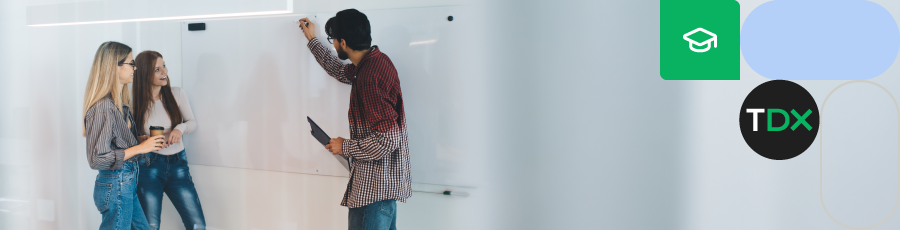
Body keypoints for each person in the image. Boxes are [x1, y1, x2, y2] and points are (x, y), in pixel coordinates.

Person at [298, 9, 411, 230]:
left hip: (372, 193)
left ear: (343, 42)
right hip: (381, 191)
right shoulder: (374, 62)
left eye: (333, 41)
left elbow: (388, 140)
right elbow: (339, 71)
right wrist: (312, 40)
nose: (334, 46)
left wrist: (345, 146)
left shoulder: (369, 77)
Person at [83, 41, 166, 230]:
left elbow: (115, 144)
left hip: (125, 183)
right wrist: (140, 148)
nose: (135, 68)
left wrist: (140, 141)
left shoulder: (120, 105)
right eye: (131, 63)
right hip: (116, 185)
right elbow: (97, 159)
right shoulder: (103, 107)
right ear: (114, 66)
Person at [132, 51, 205, 230]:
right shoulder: (134, 101)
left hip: (178, 164)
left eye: (164, 66)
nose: (164, 72)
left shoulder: (177, 94)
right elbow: (129, 136)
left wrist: (180, 129)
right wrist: (142, 139)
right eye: (157, 69)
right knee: (150, 226)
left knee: (197, 225)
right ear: (144, 74)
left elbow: (192, 122)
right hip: (148, 166)